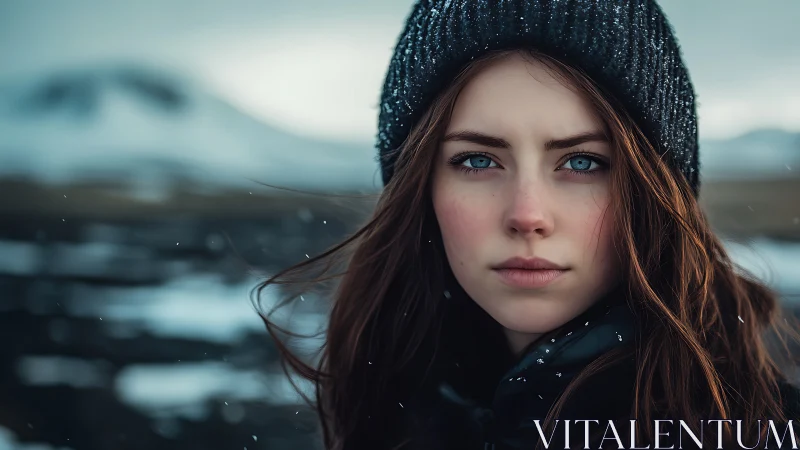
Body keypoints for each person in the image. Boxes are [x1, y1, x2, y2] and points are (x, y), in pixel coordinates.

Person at [255, 1, 800, 449]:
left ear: (655, 191)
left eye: (583, 162)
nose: (528, 215)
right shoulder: (391, 413)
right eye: (476, 160)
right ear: (419, 187)